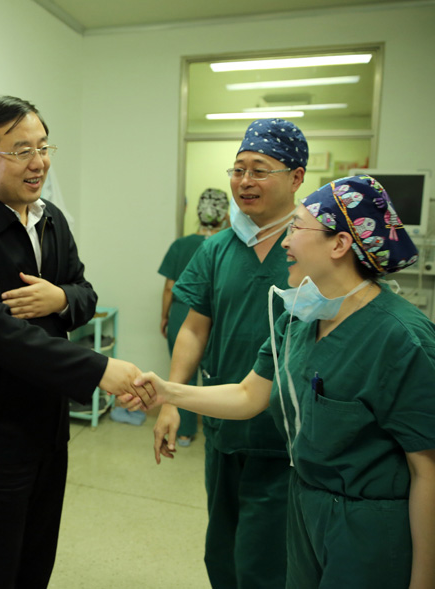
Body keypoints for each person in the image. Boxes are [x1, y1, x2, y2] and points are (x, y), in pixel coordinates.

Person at [133, 175, 435, 588]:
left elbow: (431, 476)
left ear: (339, 244)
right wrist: (166, 392)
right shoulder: (299, 319)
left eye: (296, 228)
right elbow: (247, 395)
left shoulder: (404, 338)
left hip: (371, 530)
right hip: (304, 511)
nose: (286, 242)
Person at [0, 96, 144, 588]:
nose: (38, 162)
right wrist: (98, 369)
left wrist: (60, 298)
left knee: (36, 563)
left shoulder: (51, 219)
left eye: (44, 147)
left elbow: (86, 294)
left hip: (48, 425)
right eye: (21, 150)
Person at [153, 118, 307, 587]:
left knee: (270, 561)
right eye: (238, 170)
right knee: (222, 550)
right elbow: (193, 329)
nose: (244, 181)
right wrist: (172, 402)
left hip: (290, 435)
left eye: (259, 170)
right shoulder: (217, 249)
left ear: (296, 177)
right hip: (224, 428)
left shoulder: (313, 247)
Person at [156, 188, 229, 446]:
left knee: (182, 375)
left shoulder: (181, 245)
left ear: (198, 213)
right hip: (216, 317)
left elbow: (169, 287)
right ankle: (214, 430)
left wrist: (165, 317)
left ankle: (184, 432)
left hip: (181, 313)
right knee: (213, 375)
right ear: (225, 214)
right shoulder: (227, 245)